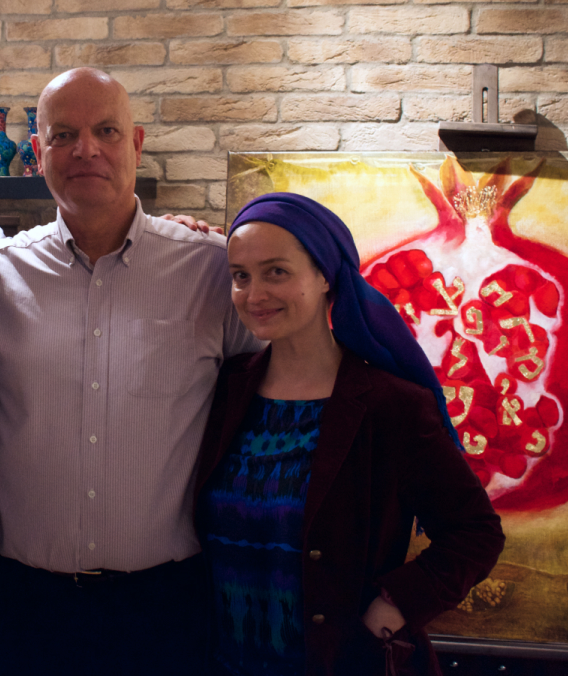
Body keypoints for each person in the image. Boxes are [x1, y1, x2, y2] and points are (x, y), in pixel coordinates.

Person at [0, 67, 262, 676]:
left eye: (105, 130)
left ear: (134, 143)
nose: (86, 150)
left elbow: (275, 401)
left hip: (167, 605)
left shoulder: (211, 271)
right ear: (37, 151)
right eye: (63, 134)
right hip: (29, 604)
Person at [194, 193, 505, 675]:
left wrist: (393, 608)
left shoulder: (390, 405)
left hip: (338, 661)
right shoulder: (228, 388)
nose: (254, 295)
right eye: (241, 275)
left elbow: (475, 533)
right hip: (226, 661)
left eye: (276, 271)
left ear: (325, 276)